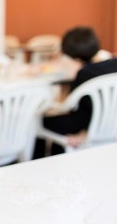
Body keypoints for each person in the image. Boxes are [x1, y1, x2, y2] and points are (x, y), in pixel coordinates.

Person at [33, 26, 117, 158]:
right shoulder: (114, 63)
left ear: (76, 59)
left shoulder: (84, 74)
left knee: (41, 120)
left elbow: (73, 108)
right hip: (111, 126)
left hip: (88, 124)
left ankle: (43, 161)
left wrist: (84, 132)